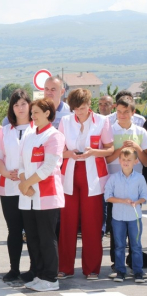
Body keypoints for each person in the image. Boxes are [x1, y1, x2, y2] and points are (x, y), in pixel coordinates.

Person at [57, 88, 114, 280]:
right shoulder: (65, 121)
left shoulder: (103, 121)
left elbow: (110, 148)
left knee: (92, 224)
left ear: (89, 104)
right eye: (75, 109)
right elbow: (59, 150)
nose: (79, 112)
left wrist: (93, 152)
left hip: (94, 177)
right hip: (70, 175)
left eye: (82, 108)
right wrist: (69, 153)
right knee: (67, 224)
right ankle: (65, 267)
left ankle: (92, 269)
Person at [18, 98, 65, 292]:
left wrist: (27, 183)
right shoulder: (29, 135)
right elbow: (21, 162)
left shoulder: (54, 136)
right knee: (33, 237)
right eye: (32, 112)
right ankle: (38, 274)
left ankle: (51, 277)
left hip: (46, 195)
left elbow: (49, 166)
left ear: (47, 113)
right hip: (28, 195)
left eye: (36, 112)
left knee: (47, 238)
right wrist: (24, 182)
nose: (32, 116)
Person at [0, 89, 35, 282]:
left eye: (23, 104)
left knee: (32, 230)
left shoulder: (38, 128)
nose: (20, 108)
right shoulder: (5, 131)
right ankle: (14, 269)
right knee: (14, 230)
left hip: (32, 187)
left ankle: (35, 268)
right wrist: (5, 172)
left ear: (30, 105)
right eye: (16, 105)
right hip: (9, 186)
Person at [105, 97, 147, 277]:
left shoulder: (141, 132)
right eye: (119, 112)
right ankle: (117, 263)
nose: (122, 115)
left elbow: (145, 162)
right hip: (114, 183)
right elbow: (106, 159)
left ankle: (134, 263)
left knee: (134, 227)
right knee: (116, 227)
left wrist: (137, 147)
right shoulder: (109, 130)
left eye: (126, 112)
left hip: (135, 185)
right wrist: (119, 150)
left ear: (133, 113)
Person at [105, 147, 147, 283]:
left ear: (135, 161)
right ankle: (120, 271)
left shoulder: (140, 178)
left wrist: (138, 202)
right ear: (119, 160)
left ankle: (138, 272)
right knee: (119, 245)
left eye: (129, 160)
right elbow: (107, 197)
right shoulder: (113, 178)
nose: (126, 162)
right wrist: (122, 201)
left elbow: (144, 196)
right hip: (118, 218)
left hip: (135, 217)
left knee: (136, 245)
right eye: (123, 160)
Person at [2, 76, 71, 129]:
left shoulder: (69, 112)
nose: (49, 92)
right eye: (46, 89)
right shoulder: (35, 109)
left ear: (62, 92)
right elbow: (13, 118)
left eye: (53, 89)